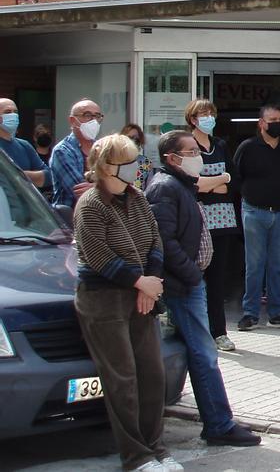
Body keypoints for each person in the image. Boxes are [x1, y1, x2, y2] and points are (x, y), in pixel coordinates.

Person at [72, 133, 181, 471]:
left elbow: (155, 241)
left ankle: (156, 446)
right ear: (107, 167)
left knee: (152, 375)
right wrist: (140, 282)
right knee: (122, 380)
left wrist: (149, 284)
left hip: (139, 295)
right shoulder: (90, 204)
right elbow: (99, 256)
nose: (137, 167)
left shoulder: (136, 197)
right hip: (104, 299)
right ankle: (136, 456)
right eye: (130, 161)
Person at [145, 131, 260, 447]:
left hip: (189, 282)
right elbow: (163, 242)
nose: (199, 156)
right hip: (184, 285)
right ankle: (219, 424)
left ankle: (217, 418)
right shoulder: (165, 189)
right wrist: (193, 275)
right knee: (204, 353)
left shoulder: (180, 185)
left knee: (197, 352)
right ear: (172, 158)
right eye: (192, 151)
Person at [233, 104, 280, 331]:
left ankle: (277, 312)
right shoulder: (248, 147)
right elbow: (236, 178)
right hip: (254, 211)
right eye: (273, 119)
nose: (278, 123)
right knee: (254, 265)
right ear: (261, 123)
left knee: (278, 264)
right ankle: (250, 313)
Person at [184, 99, 238, 352]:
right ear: (192, 119)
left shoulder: (221, 145)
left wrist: (213, 182)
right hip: (198, 220)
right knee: (196, 277)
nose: (208, 118)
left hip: (224, 221)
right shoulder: (186, 146)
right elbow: (194, 184)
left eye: (211, 113)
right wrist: (217, 182)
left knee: (218, 279)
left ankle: (219, 332)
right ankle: (195, 329)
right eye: (202, 114)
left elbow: (232, 181)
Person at [50, 98, 103, 208]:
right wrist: (109, 188)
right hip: (71, 217)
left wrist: (99, 188)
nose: (93, 121)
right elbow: (80, 192)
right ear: (72, 120)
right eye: (87, 115)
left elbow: (122, 185)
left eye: (97, 116)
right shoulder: (62, 151)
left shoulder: (103, 148)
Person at [0, 97, 47, 188]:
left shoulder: (24, 145)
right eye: (7, 112)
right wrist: (34, 177)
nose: (13, 115)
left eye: (15, 112)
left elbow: (48, 176)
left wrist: (19, 175)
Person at [120, 123, 154, 191]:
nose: (133, 140)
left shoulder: (146, 163)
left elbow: (149, 189)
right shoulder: (116, 160)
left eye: (136, 138)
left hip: (138, 200)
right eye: (130, 137)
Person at [33, 122, 55, 202]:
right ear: (35, 138)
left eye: (48, 133)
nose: (45, 135)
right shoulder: (30, 156)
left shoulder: (56, 155)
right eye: (41, 133)